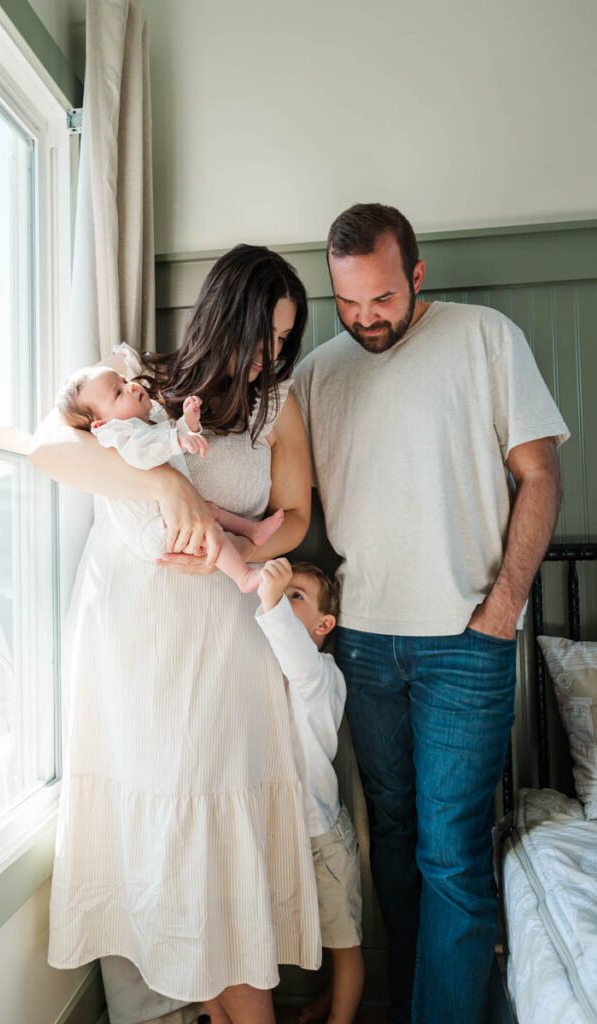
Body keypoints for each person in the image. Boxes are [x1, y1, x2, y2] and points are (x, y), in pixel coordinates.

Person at [293, 203, 570, 1024]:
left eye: (381, 298)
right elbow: (283, 507)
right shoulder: (316, 372)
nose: (365, 319)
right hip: (364, 648)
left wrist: (503, 609)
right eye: (347, 303)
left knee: (449, 853)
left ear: (415, 275)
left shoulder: (483, 337)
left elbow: (540, 476)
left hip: (464, 642)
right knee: (393, 841)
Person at [29, 244, 321, 1024]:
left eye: (284, 342)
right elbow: (48, 448)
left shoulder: (277, 403)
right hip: (137, 640)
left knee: (218, 853)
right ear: (224, 316)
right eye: (262, 337)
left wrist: (230, 552)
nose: (269, 359)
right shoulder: (140, 383)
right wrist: (163, 483)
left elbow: (292, 517)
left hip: (224, 637)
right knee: (165, 845)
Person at [56, 365, 285, 591]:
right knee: (210, 530)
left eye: (125, 381)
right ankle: (243, 578)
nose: (132, 387)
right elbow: (142, 454)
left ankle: (251, 531)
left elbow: (167, 442)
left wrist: (188, 424)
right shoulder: (117, 435)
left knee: (209, 511)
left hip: (163, 517)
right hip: (152, 528)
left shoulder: (142, 426)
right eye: (118, 393)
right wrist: (177, 438)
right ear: (101, 424)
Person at [256, 558, 364, 1024]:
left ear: (324, 625)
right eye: (282, 595)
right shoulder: (266, 670)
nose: (282, 600)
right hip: (276, 829)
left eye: (294, 596)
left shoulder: (322, 674)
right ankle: (321, 1000)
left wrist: (268, 600)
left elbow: (296, 659)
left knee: (343, 942)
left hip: (322, 836)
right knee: (285, 928)